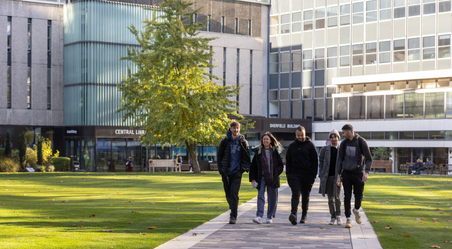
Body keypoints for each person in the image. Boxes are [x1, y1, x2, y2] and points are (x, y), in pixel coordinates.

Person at [336, 124, 372, 228]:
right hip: (346, 173)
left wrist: (366, 172)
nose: (342, 135)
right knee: (347, 196)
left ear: (349, 132)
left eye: (343, 133)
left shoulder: (361, 142)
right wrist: (338, 175)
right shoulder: (343, 144)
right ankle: (348, 219)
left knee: (359, 196)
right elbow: (340, 160)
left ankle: (356, 210)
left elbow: (369, 158)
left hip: (358, 173)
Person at [217, 120, 251, 224]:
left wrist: (243, 168)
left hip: (237, 172)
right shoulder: (225, 141)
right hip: (226, 172)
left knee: (234, 193)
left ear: (239, 129)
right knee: (228, 194)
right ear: (230, 129)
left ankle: (233, 216)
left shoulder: (243, 142)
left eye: (237, 128)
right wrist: (221, 170)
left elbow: (247, 156)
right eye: (234, 128)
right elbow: (219, 156)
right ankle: (233, 207)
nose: (236, 130)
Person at [249, 132, 284, 224]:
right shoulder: (258, 152)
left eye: (267, 139)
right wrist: (253, 179)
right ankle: (259, 216)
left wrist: (276, 173)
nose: (265, 141)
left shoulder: (275, 151)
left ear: (270, 140)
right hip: (261, 177)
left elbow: (281, 165)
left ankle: (270, 217)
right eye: (264, 139)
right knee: (260, 196)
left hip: (273, 177)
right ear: (262, 141)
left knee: (272, 198)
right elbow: (253, 167)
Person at [286, 126, 318, 225]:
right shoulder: (292, 146)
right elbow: (288, 161)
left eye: (302, 135)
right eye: (298, 135)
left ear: (305, 134)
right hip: (295, 174)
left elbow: (315, 161)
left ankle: (304, 215)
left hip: (308, 175)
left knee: (305, 195)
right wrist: (288, 174)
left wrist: (313, 175)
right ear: (295, 135)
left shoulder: (310, 145)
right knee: (295, 194)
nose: (300, 137)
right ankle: (293, 214)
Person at [318, 129, 342, 226]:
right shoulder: (325, 149)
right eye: (331, 137)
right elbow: (321, 161)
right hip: (327, 177)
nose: (333, 139)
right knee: (330, 198)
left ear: (338, 138)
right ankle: (333, 216)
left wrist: (340, 176)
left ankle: (338, 216)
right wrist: (321, 173)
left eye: (335, 137)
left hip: (337, 177)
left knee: (337, 197)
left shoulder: (341, 149)